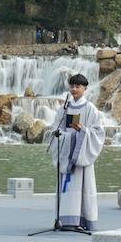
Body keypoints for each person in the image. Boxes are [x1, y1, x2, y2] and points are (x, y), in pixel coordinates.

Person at [50, 73, 103, 232]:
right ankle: (64, 220)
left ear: (85, 88)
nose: (74, 89)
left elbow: (98, 132)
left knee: (82, 189)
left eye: (78, 86)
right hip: (66, 152)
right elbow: (56, 128)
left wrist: (83, 132)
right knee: (66, 190)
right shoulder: (64, 108)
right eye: (72, 86)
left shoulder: (90, 109)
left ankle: (81, 221)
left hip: (81, 154)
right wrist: (60, 136)